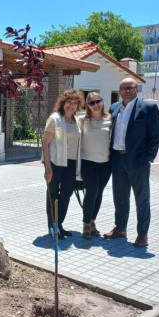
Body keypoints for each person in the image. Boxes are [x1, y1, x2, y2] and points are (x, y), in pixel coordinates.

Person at [104, 77, 159, 247]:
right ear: (120, 90)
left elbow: (156, 136)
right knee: (120, 197)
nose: (127, 90)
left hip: (138, 161)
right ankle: (120, 228)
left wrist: (147, 158)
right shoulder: (114, 108)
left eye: (131, 87)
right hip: (117, 159)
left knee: (141, 199)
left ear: (137, 90)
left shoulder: (148, 108)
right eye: (123, 88)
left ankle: (142, 234)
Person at [42, 89, 82, 239]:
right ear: (63, 103)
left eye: (74, 103)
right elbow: (45, 144)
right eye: (69, 103)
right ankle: (52, 227)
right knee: (52, 194)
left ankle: (59, 224)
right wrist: (47, 167)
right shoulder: (55, 119)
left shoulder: (77, 121)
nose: (71, 106)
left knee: (66, 194)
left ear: (78, 106)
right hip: (56, 162)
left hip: (71, 164)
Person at [79, 92, 112, 239]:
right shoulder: (82, 119)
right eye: (91, 103)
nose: (95, 105)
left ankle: (93, 222)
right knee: (91, 192)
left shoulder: (110, 119)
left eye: (97, 101)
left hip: (106, 163)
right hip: (88, 162)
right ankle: (86, 224)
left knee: (99, 193)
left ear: (102, 101)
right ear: (87, 106)